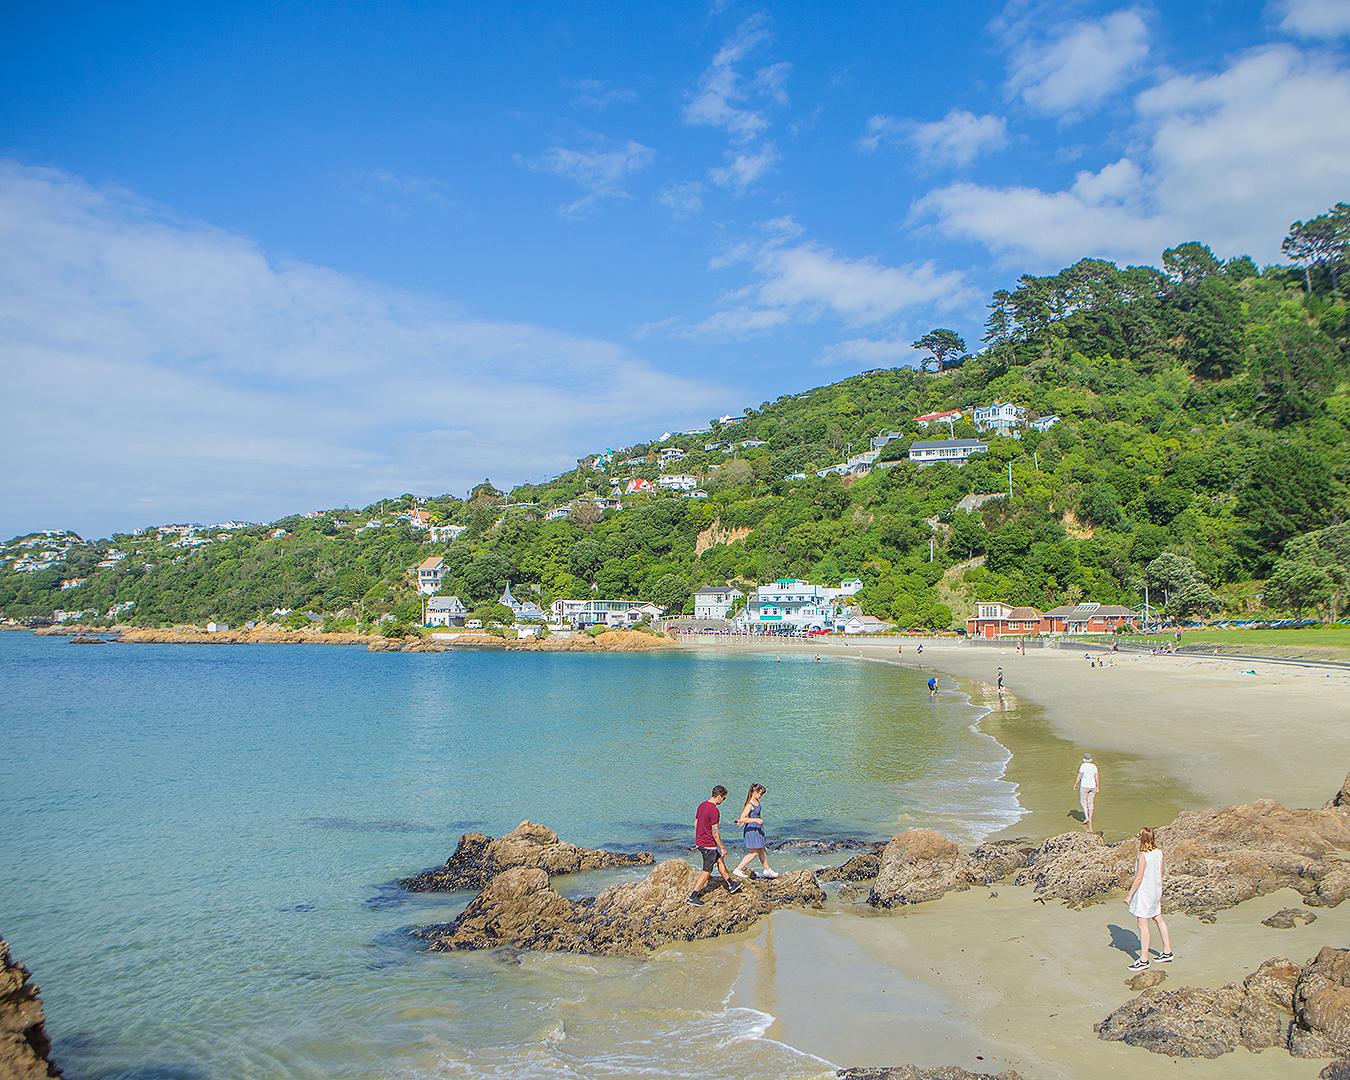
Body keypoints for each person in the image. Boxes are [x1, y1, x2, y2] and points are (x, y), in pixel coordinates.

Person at [1125, 827, 1172, 970]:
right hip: (1156, 890)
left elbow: (1139, 878)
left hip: (1145, 892)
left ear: (1142, 838)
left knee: (1142, 923)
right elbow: (1160, 871)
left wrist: (1129, 895)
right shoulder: (1158, 852)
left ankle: (1144, 959)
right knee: (1158, 918)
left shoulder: (1143, 855)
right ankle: (1167, 951)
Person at [688, 786, 742, 906]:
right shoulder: (714, 811)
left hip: (700, 842)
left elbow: (696, 824)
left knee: (720, 860)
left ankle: (731, 884)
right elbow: (715, 832)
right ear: (719, 797)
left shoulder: (701, 805)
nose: (723, 801)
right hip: (708, 845)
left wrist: (701, 836)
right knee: (707, 871)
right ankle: (693, 896)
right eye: (723, 798)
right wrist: (722, 847)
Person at [732, 783, 779, 879]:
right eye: (760, 794)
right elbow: (743, 818)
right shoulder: (750, 804)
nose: (761, 796)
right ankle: (738, 869)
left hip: (758, 829)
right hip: (752, 830)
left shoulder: (756, 802)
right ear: (755, 792)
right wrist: (755, 820)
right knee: (754, 852)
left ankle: (767, 870)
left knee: (762, 848)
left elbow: (742, 820)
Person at [1075, 753, 1099, 831]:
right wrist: (1097, 786)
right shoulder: (1094, 766)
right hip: (1093, 786)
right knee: (1090, 803)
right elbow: (1097, 777)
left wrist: (1075, 784)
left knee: (1083, 802)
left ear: (1084, 759)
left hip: (1084, 786)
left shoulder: (1083, 766)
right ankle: (1090, 819)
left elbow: (1079, 776)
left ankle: (1086, 817)